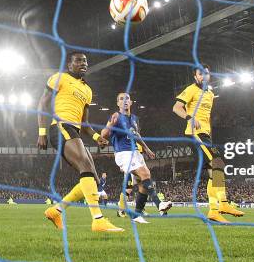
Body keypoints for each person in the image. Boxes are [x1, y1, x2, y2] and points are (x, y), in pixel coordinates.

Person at [39, 52, 123, 233]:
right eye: (78, 61)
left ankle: (56, 210)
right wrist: (42, 132)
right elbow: (42, 104)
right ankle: (98, 220)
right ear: (69, 64)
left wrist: (95, 137)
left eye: (85, 61)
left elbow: (84, 124)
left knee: (92, 177)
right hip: (61, 127)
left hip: (74, 131)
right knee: (85, 166)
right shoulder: (59, 78)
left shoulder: (87, 90)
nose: (83, 63)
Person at [173, 64, 244, 223]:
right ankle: (223, 204)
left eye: (207, 74)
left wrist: (210, 134)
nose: (204, 76)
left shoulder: (210, 94)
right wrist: (189, 118)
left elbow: (207, 117)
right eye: (200, 74)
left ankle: (213, 210)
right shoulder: (191, 89)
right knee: (218, 164)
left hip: (205, 134)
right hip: (194, 134)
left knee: (215, 170)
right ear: (195, 77)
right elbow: (176, 108)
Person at [101, 92, 172, 223]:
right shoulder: (116, 116)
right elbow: (104, 133)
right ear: (118, 103)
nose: (124, 101)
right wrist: (109, 129)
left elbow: (136, 135)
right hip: (123, 153)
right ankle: (159, 204)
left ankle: (136, 215)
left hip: (135, 152)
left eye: (127, 98)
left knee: (143, 183)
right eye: (121, 99)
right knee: (144, 174)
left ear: (131, 102)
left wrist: (146, 148)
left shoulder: (134, 118)